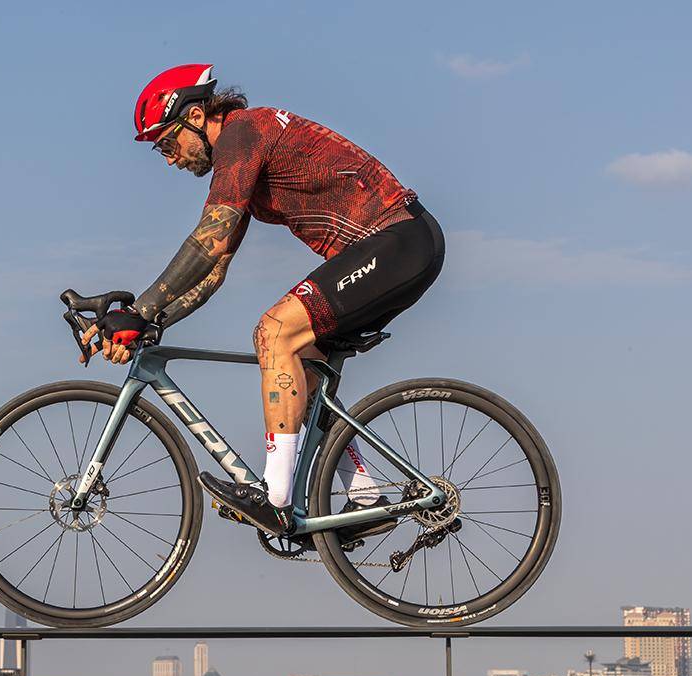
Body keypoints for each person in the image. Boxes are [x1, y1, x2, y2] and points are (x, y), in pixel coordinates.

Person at [79, 64, 445, 537]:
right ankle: (366, 500)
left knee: (274, 332)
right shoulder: (240, 157)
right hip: (396, 248)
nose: (169, 160)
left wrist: (140, 310)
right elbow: (215, 267)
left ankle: (276, 501)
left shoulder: (243, 133)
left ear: (195, 116)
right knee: (301, 371)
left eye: (167, 144)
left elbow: (208, 239)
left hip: (398, 241)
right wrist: (154, 322)